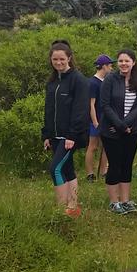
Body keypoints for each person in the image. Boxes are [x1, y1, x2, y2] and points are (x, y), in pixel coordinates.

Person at [41, 41, 89, 217]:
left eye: (62, 59)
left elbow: (80, 110)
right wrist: (46, 134)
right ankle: (72, 207)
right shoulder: (52, 81)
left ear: (69, 58)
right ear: (51, 60)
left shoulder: (78, 80)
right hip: (55, 135)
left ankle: (61, 210)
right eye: (55, 59)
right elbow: (49, 109)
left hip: (70, 136)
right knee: (67, 169)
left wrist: (72, 135)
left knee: (55, 169)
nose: (58, 62)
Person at [100, 49, 137, 214]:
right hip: (111, 131)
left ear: (133, 62)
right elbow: (105, 105)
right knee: (115, 165)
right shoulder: (110, 79)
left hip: (131, 130)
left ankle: (125, 200)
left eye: (127, 61)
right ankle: (114, 202)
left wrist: (126, 124)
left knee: (127, 165)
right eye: (120, 61)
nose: (124, 64)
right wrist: (120, 125)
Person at [85, 54, 113, 181]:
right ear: (104, 66)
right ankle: (90, 173)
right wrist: (95, 121)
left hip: (106, 119)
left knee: (106, 146)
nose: (111, 68)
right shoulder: (93, 83)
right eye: (110, 66)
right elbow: (91, 104)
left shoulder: (106, 81)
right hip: (95, 120)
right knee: (93, 146)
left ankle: (103, 171)